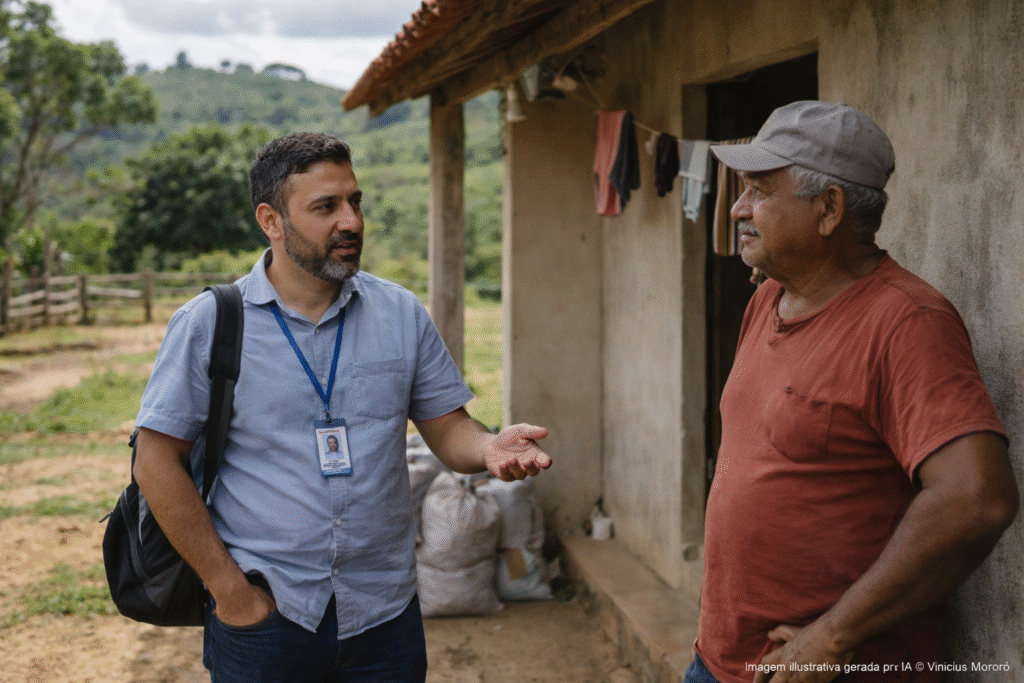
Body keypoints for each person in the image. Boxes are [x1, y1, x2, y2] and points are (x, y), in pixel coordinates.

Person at [131, 132, 552, 682]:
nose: (350, 221)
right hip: (268, 617)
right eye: (325, 207)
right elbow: (155, 462)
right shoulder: (210, 324)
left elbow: (447, 428)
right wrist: (230, 592)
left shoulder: (399, 313)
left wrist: (487, 447)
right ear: (271, 220)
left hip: (386, 617)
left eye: (354, 202)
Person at [686, 102, 1018, 683]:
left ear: (829, 209)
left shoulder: (907, 323)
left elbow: (976, 498)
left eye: (760, 191)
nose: (739, 209)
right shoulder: (767, 298)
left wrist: (833, 638)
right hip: (726, 659)